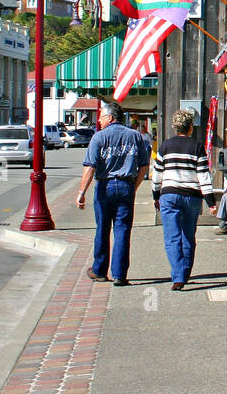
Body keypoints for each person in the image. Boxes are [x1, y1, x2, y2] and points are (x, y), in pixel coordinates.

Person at [78, 101, 152, 286]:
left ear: (110, 118)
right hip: (126, 185)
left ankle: (100, 270)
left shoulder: (99, 137)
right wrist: (133, 186)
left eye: (102, 117)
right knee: (122, 231)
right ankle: (119, 274)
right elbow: (144, 165)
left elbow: (90, 167)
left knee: (102, 229)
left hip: (105, 186)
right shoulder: (136, 136)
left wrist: (81, 192)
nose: (100, 121)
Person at [152, 108, 217, 290]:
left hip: (169, 194)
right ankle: (184, 272)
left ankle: (178, 276)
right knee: (188, 236)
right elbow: (204, 176)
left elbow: (157, 175)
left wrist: (156, 195)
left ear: (175, 128)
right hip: (191, 196)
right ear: (190, 128)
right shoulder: (196, 146)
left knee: (172, 237)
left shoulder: (165, 146)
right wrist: (210, 201)